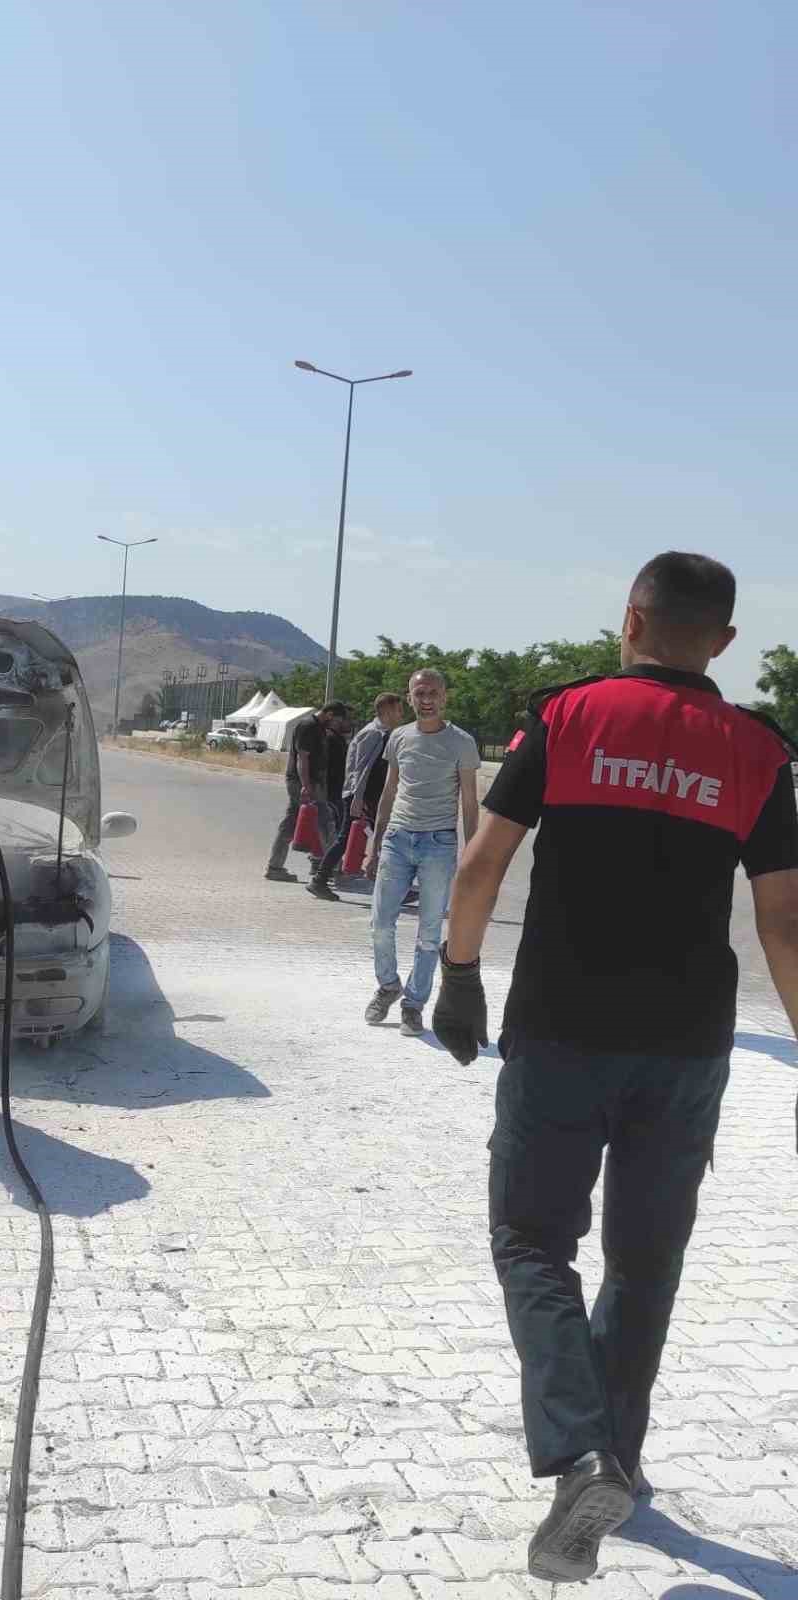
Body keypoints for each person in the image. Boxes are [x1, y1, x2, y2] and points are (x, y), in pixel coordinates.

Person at [431, 552, 798, 1584]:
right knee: (644, 1263)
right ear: (722, 641)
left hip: (558, 1027)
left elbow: (479, 865)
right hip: (686, 1047)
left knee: (531, 1240)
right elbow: (784, 920)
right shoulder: (760, 753)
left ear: (629, 618)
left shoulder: (568, 718)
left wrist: (458, 974)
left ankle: (578, 1449)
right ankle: (616, 1463)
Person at [365, 670, 480, 1034]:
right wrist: (374, 842)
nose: (426, 698)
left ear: (444, 697)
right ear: (410, 697)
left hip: (438, 844)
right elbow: (388, 791)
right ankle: (388, 986)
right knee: (381, 923)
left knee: (429, 933)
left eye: (433, 692)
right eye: (419, 693)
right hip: (397, 840)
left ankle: (413, 1004)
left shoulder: (462, 742)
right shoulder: (398, 737)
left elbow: (470, 802)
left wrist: (472, 856)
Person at [308, 692, 406, 901]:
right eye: (398, 710)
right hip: (360, 796)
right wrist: (357, 798)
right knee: (358, 838)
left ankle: (391, 888)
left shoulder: (384, 733)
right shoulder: (372, 734)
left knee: (382, 838)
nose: (401, 714)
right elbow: (360, 769)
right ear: (386, 711)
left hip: (369, 796)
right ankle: (320, 879)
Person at [264, 701, 352, 883]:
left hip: (311, 782)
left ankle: (275, 867)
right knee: (324, 822)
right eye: (337, 719)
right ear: (329, 714)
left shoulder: (318, 728)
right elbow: (302, 758)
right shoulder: (307, 727)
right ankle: (332, 870)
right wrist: (306, 785)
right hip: (303, 782)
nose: (337, 724)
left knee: (291, 824)